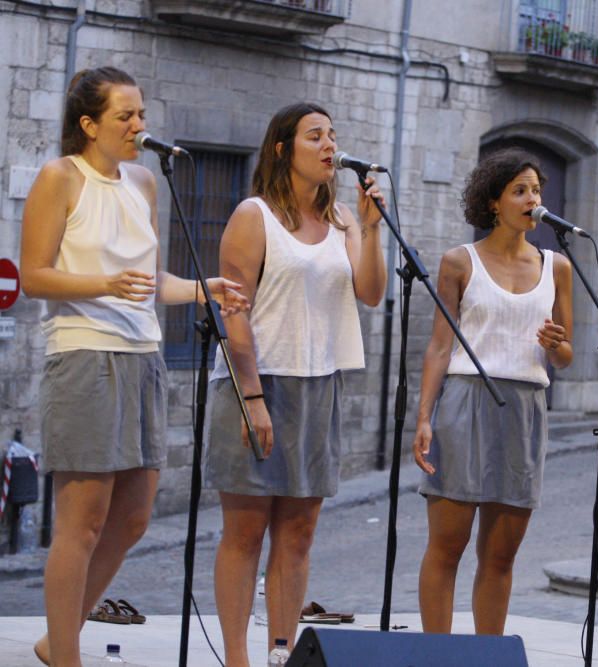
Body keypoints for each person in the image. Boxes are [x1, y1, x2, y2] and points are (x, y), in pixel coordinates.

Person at [19, 66, 248, 667]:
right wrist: (104, 283)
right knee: (83, 523)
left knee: (134, 517)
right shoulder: (60, 177)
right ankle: (64, 653)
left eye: (141, 114)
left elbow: (148, 283)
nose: (139, 126)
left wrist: (203, 289)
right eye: (126, 116)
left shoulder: (144, 182)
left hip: (143, 359)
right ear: (89, 124)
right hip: (84, 355)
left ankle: (55, 638)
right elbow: (34, 275)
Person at [204, 102, 386, 666]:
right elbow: (234, 313)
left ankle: (281, 653)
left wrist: (372, 229)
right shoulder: (252, 215)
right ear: (282, 148)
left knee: (299, 531)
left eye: (333, 135)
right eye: (315, 136)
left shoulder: (342, 222)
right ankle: (237, 657)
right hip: (257, 380)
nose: (330, 145)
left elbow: (371, 292)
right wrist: (251, 396)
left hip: (319, 382)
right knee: (246, 530)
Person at [412, 149, 573, 635]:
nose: (532, 199)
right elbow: (440, 346)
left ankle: (488, 655)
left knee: (500, 554)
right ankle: (437, 656)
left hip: (525, 408)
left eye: (537, 190)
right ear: (493, 202)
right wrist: (423, 418)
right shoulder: (459, 262)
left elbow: (564, 358)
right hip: (464, 403)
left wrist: (558, 344)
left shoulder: (558, 267)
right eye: (520, 190)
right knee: (448, 545)